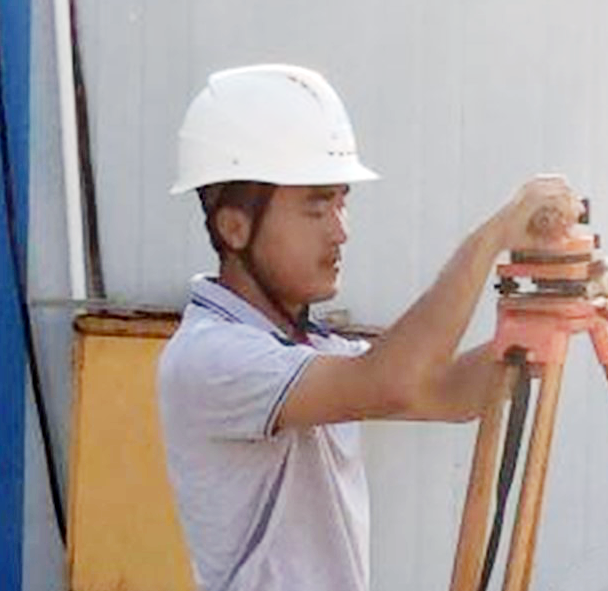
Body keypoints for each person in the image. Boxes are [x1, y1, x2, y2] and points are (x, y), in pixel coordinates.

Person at [157, 63, 582, 591]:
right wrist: (492, 237)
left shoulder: (308, 346)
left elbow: (446, 393)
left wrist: (538, 323)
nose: (341, 232)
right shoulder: (209, 357)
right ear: (234, 227)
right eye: (316, 209)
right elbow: (392, 382)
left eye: (342, 203)